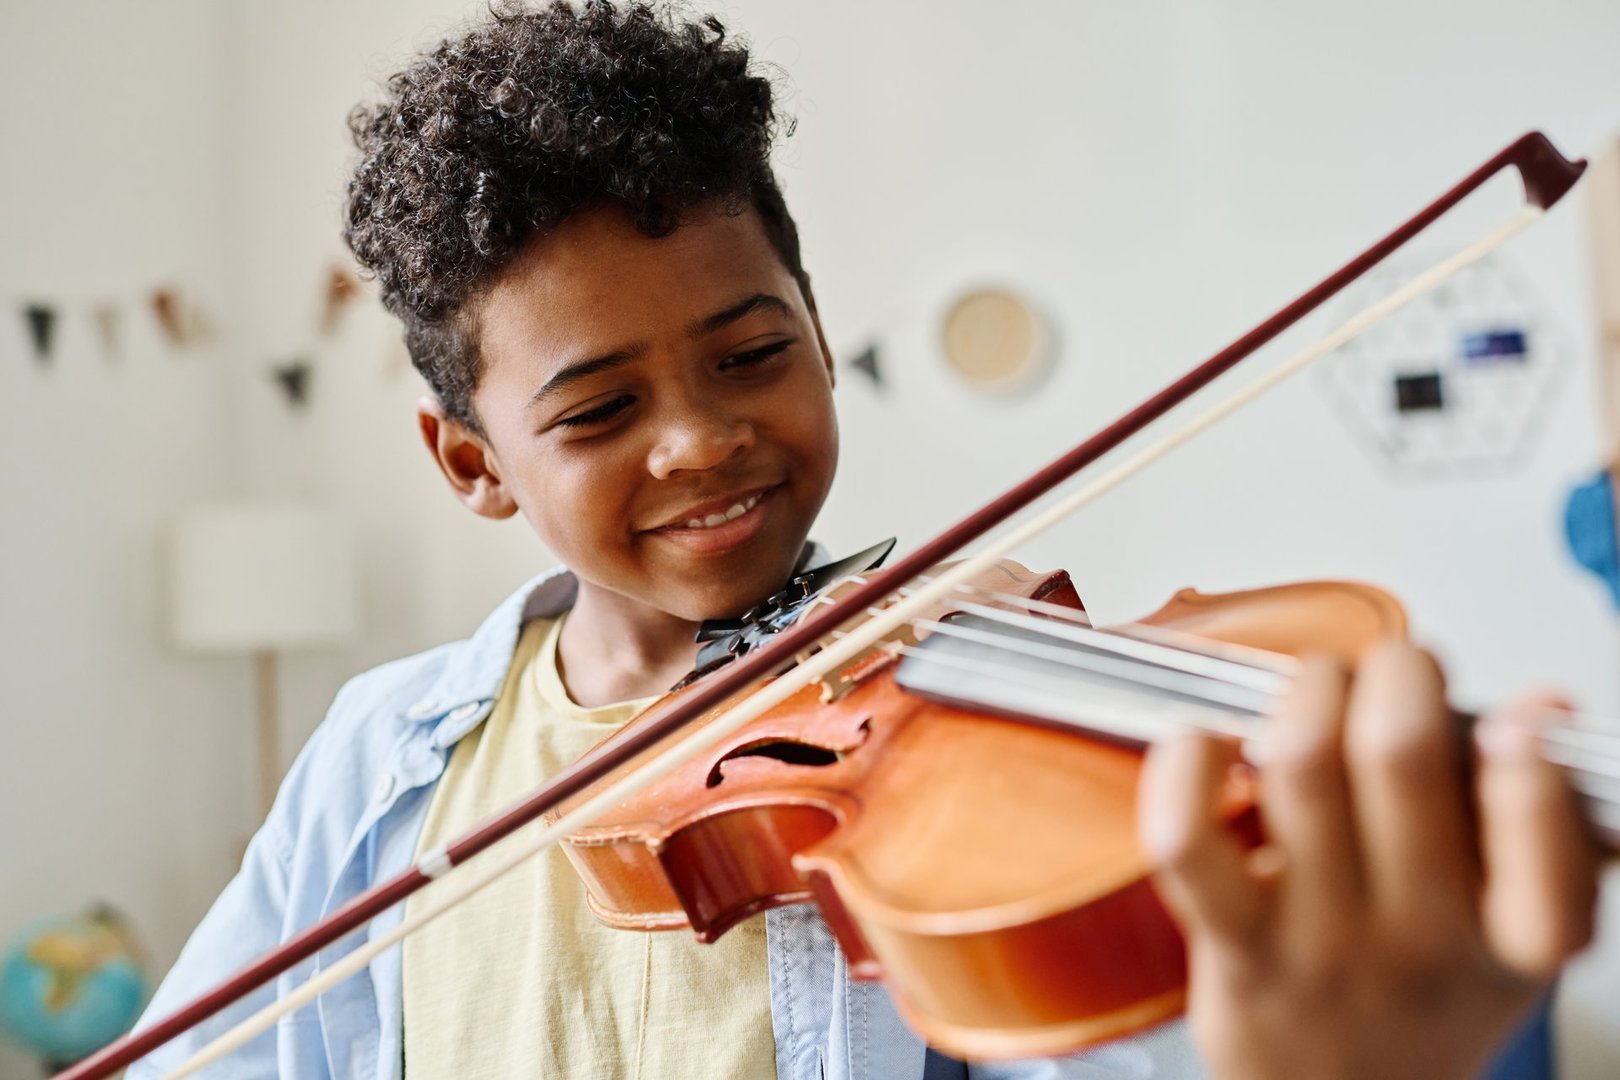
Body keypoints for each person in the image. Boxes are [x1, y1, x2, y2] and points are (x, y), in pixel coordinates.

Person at [127, 3, 1601, 1078]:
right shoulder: (386, 762)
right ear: (473, 463)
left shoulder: (971, 727)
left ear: (823, 342)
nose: (701, 437)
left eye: (750, 352)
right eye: (598, 409)